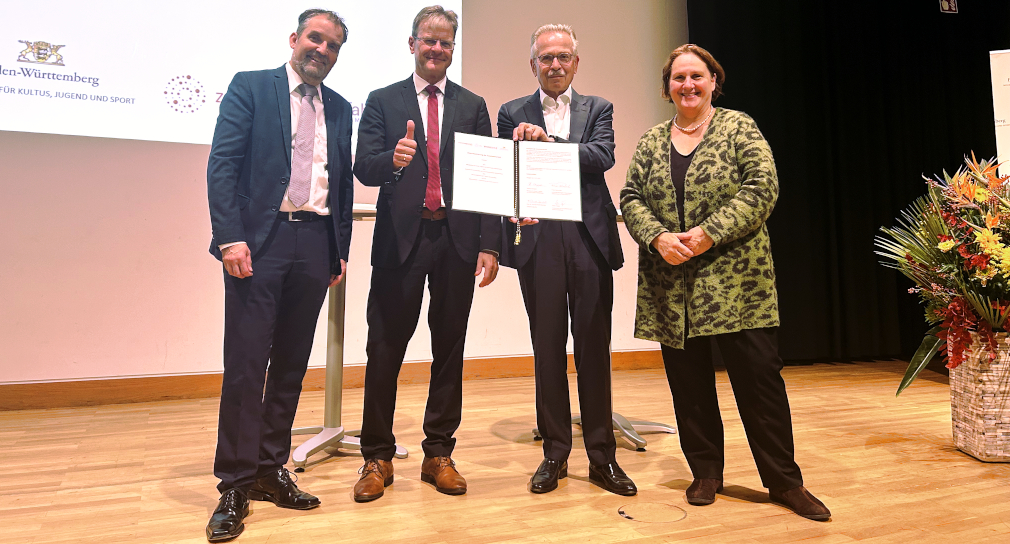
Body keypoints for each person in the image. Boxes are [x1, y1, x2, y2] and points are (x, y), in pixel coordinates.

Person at [619, 44, 830, 521]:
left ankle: (784, 483)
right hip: (672, 286)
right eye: (678, 78)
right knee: (688, 387)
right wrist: (656, 237)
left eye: (697, 76)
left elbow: (763, 186)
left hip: (739, 285)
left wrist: (708, 233)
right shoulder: (653, 140)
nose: (687, 85)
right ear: (667, 87)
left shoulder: (739, 127)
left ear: (714, 80)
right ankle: (706, 472)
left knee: (760, 385)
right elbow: (630, 195)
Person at [204, 9, 353, 541]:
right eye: (315, 39)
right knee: (247, 365)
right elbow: (222, 164)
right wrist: (229, 237)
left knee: (290, 364)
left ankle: (270, 469)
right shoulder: (250, 87)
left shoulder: (338, 107)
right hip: (257, 243)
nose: (323, 50)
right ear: (294, 39)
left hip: (314, 244)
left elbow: (339, 186)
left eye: (333, 45)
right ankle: (235, 483)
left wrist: (340, 248)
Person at [351, 5, 500, 503]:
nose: (437, 49)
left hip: (455, 242)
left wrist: (489, 243)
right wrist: (390, 160)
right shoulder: (382, 100)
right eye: (429, 40)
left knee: (449, 349)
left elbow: (487, 179)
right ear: (411, 43)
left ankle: (438, 452)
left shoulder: (472, 104)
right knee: (384, 349)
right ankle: (377, 455)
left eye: (446, 42)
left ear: (453, 48)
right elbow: (363, 168)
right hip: (401, 243)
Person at [498, 24, 635, 497]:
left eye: (563, 57)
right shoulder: (510, 112)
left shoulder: (597, 107)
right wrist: (520, 145)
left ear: (576, 62)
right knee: (547, 350)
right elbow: (506, 174)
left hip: (587, 240)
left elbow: (602, 156)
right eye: (545, 58)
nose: (554, 65)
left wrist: (549, 145)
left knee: (594, 350)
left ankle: (603, 456)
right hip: (538, 242)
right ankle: (555, 453)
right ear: (532, 64)